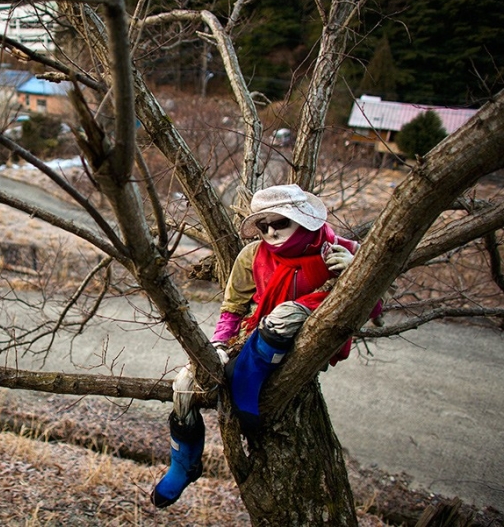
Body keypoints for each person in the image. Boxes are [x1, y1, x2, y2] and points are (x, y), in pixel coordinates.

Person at [151, 184, 366, 508]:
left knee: (285, 315)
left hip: (301, 338)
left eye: (279, 222)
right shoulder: (252, 255)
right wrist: (219, 346)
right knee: (183, 386)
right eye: (263, 225)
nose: (270, 232)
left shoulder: (340, 249)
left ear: (304, 219)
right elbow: (232, 308)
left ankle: (246, 383)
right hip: (257, 335)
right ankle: (184, 466)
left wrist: (355, 272)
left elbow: (374, 307)